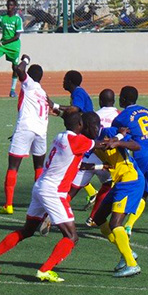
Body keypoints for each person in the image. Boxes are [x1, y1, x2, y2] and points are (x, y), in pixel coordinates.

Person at [0, 112, 102, 283]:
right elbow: (102, 144)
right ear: (80, 124)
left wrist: (100, 165)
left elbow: (76, 162)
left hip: (40, 187)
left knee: (27, 230)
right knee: (72, 237)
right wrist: (122, 136)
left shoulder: (60, 137)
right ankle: (45, 270)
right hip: (54, 192)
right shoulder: (78, 141)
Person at [85, 112, 144, 277]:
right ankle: (128, 253)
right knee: (99, 219)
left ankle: (132, 264)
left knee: (115, 224)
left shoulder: (109, 133)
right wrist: (91, 167)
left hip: (130, 180)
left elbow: (136, 145)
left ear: (91, 127)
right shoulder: (92, 142)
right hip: (119, 182)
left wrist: (118, 142)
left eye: (83, 127)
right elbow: (103, 161)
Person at [0, 54, 50, 215]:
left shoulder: (29, 85)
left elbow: (19, 69)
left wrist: (25, 60)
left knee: (13, 166)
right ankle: (39, 203)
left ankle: (8, 205)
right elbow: (53, 108)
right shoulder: (43, 92)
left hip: (25, 128)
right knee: (39, 167)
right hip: (41, 131)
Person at [112, 86, 148, 236]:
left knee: (131, 186)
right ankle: (129, 225)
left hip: (142, 154)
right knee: (145, 192)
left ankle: (118, 220)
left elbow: (118, 137)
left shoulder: (120, 118)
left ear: (123, 99)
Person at [68, 89, 118, 225]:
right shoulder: (119, 115)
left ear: (100, 101)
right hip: (108, 158)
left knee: (73, 189)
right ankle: (93, 218)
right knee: (108, 184)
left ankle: (52, 213)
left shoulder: (94, 115)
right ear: (114, 101)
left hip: (90, 154)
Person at [49, 70, 96, 204]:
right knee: (75, 163)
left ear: (70, 81)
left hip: (85, 133)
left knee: (74, 163)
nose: (62, 82)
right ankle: (92, 192)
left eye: (64, 79)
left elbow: (75, 109)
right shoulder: (77, 93)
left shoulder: (78, 93)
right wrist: (58, 113)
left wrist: (55, 105)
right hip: (82, 131)